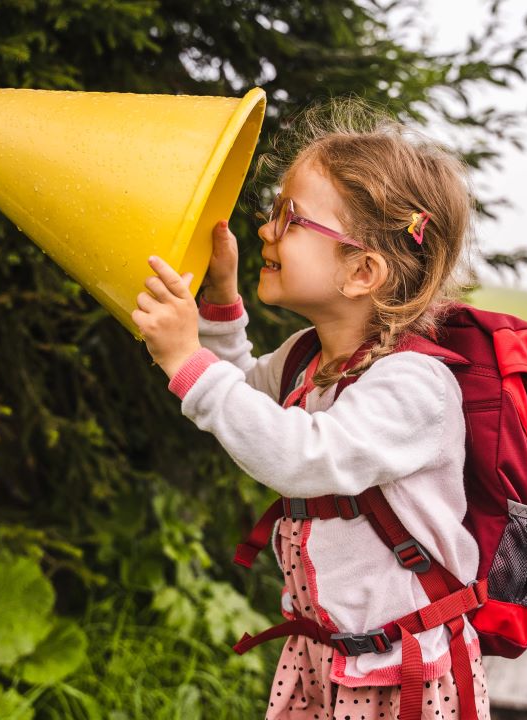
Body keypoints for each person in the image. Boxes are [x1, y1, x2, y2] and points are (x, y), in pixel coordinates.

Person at [132, 102, 489, 720]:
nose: (266, 230)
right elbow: (241, 394)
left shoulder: (415, 386)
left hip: (399, 672)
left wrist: (186, 358)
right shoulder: (307, 358)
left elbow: (302, 457)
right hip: (322, 654)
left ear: (362, 272)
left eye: (290, 218)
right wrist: (219, 305)